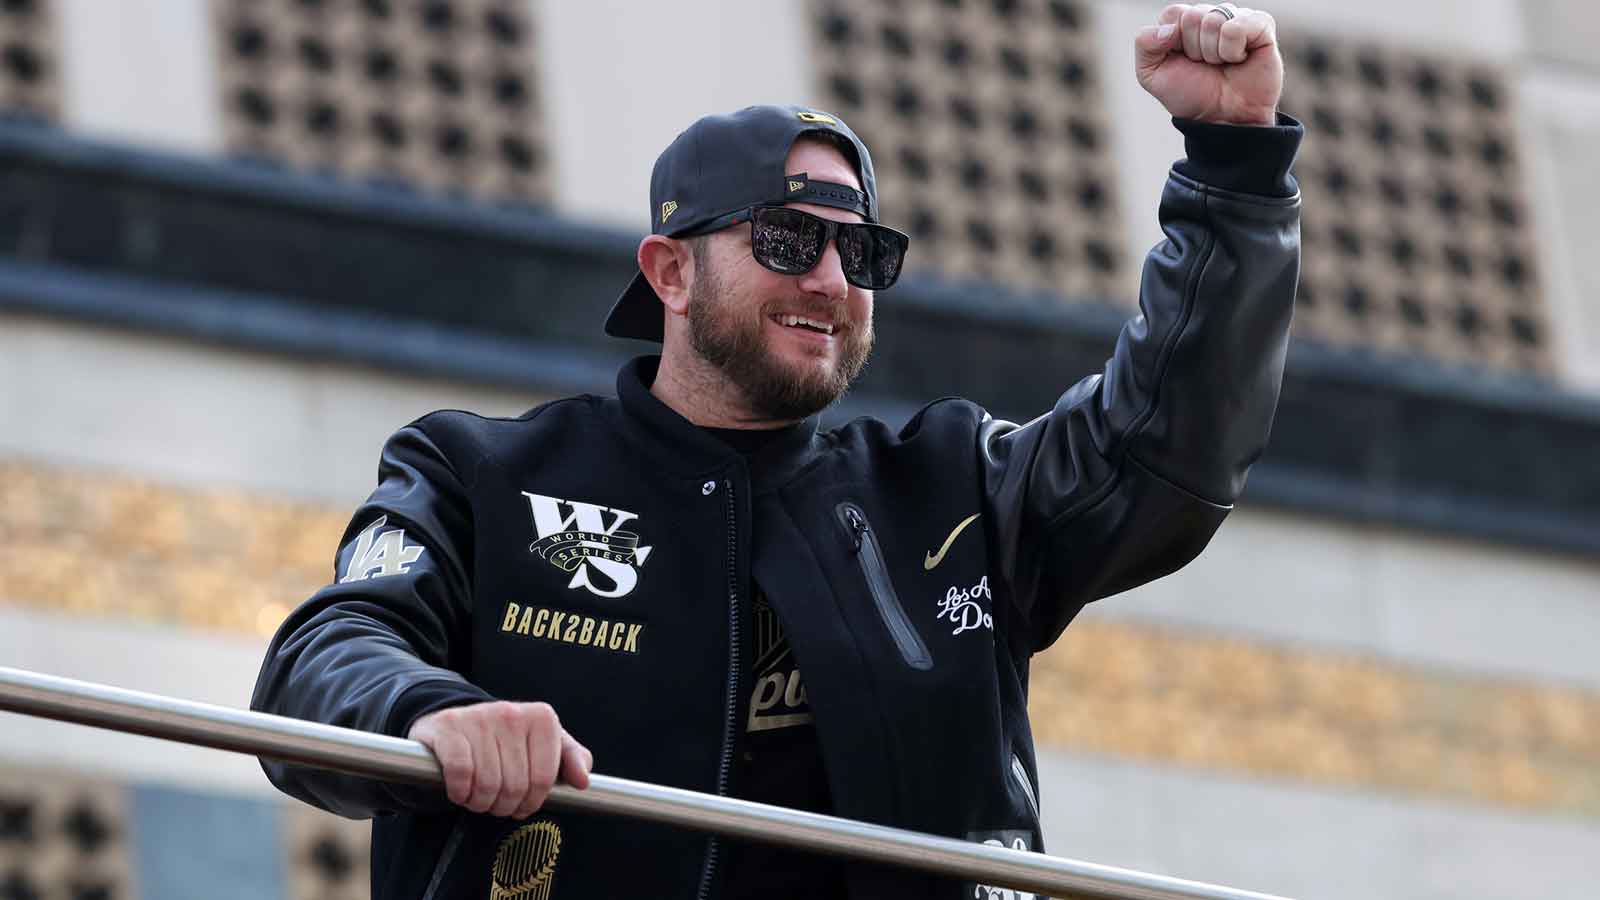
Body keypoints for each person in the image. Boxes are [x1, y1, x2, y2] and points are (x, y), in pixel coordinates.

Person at [252, 4, 1303, 898]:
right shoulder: (479, 475)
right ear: (668, 271)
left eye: (863, 252)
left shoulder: (960, 493)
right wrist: (432, 711)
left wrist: (1232, 173)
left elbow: (1173, 440)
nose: (831, 281)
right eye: (787, 241)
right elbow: (319, 660)